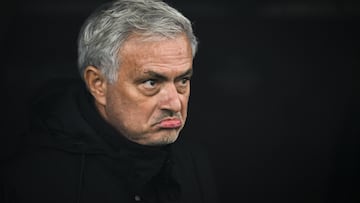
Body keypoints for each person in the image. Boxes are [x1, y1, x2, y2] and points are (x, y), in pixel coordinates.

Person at [1, 0, 217, 202]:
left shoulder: (193, 162)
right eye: (151, 83)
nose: (175, 104)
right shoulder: (34, 179)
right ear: (98, 84)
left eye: (183, 80)